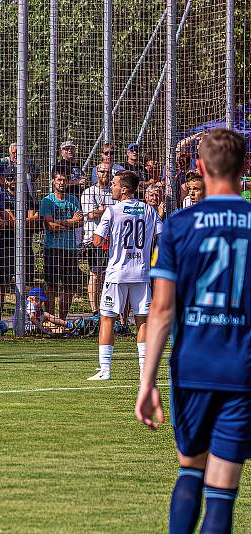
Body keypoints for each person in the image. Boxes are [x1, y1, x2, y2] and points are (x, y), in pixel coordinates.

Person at [137, 128, 249, 533]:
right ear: (245, 168)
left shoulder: (180, 225)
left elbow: (162, 309)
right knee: (222, 491)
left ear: (199, 168)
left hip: (193, 369)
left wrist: (146, 382)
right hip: (242, 371)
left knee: (190, 471)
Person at [87, 170, 162, 381]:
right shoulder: (149, 210)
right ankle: (144, 371)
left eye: (114, 184)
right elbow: (161, 237)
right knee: (142, 320)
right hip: (141, 272)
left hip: (117, 273)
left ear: (124, 189)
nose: (111, 187)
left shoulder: (112, 211)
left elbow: (97, 241)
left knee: (107, 318)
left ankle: (105, 369)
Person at [0, 169, 40, 323]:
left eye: (15, 178)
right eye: (10, 178)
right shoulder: (2, 196)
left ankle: (26, 320)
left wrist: (17, 223)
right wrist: (22, 221)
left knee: (27, 283)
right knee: (2, 284)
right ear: (5, 181)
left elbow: (34, 220)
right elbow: (6, 219)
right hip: (6, 245)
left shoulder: (28, 197)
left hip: (25, 245)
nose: (13, 181)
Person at [40, 168, 84, 319]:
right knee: (51, 285)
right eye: (58, 180)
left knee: (69, 286)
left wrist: (59, 222)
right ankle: (51, 319)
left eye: (64, 180)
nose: (61, 183)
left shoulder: (73, 200)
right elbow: (50, 227)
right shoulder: (47, 200)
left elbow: (80, 222)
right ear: (53, 181)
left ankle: (62, 320)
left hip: (70, 248)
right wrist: (71, 221)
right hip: (52, 248)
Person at [80, 163, 117, 317]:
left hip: (112, 239)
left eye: (108, 172)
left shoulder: (114, 192)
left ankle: (108, 307)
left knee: (109, 274)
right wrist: (104, 211)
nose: (105, 174)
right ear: (97, 173)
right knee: (95, 273)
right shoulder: (89, 192)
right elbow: (89, 214)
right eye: (102, 171)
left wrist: (103, 211)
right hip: (94, 238)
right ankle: (95, 310)